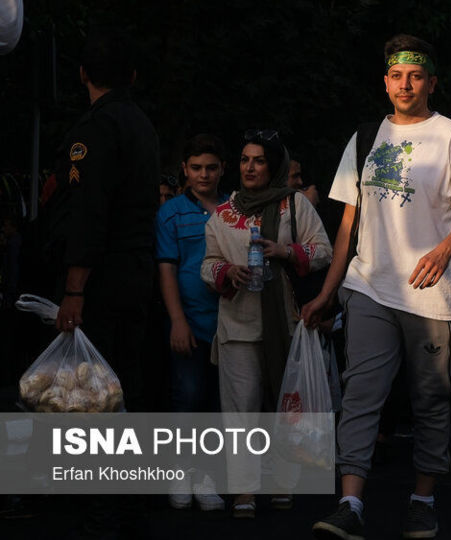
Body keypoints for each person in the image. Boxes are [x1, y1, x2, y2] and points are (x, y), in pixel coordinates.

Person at [304, 34, 451, 540]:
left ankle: (422, 501)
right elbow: (349, 223)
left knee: (431, 399)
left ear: (432, 82)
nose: (405, 84)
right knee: (361, 393)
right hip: (369, 286)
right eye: (396, 76)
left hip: (432, 295)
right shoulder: (365, 137)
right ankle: (350, 504)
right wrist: (328, 292)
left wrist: (444, 250)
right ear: (385, 83)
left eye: (415, 76)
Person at [39, 28, 158, 539]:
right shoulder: (142, 125)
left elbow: (89, 214)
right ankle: (129, 510)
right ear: (132, 75)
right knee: (125, 388)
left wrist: (74, 289)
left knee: (93, 397)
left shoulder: (95, 129)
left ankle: (102, 514)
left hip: (102, 281)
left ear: (83, 74)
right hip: (137, 273)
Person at [201, 129, 332, 518]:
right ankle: (244, 489)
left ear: (273, 166)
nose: (250, 167)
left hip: (285, 324)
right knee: (241, 412)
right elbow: (207, 265)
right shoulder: (223, 213)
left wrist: (285, 251)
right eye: (245, 160)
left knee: (284, 407)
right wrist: (227, 272)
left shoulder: (294, 204)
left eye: (259, 160)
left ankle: (283, 483)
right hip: (238, 325)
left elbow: (323, 251)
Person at [155, 134, 230, 510]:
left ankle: (206, 477)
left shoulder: (234, 209)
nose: (204, 175)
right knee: (187, 398)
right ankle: (179, 474)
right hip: (190, 322)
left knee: (218, 404)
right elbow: (167, 269)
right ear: (184, 169)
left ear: (222, 169)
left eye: (211, 168)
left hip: (230, 325)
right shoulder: (170, 212)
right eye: (196, 167)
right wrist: (177, 321)